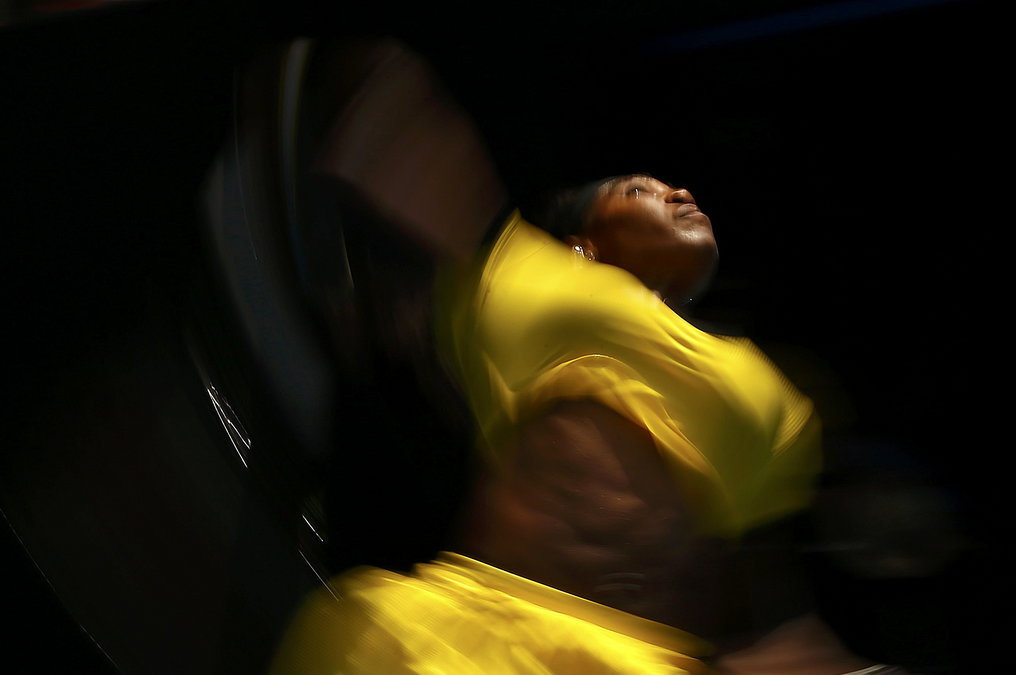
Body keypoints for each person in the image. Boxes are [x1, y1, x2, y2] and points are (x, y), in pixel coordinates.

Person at [269, 39, 904, 675]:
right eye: (638, 190)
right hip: (463, 641)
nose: (680, 190)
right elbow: (394, 137)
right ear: (583, 244)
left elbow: (757, 612)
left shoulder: (771, 394)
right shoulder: (530, 280)